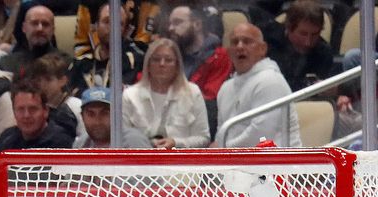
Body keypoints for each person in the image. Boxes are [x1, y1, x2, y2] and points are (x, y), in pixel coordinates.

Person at [214, 23, 301, 148]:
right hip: (235, 162)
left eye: (247, 41)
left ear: (263, 49)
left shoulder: (270, 81)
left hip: (275, 162)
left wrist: (224, 149)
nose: (240, 46)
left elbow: (262, 136)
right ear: (228, 51)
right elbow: (221, 132)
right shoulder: (225, 88)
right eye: (234, 42)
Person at [0, 79, 75, 185]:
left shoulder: (61, 141)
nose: (26, 115)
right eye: (20, 109)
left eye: (33, 109)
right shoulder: (6, 138)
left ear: (45, 111)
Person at [122, 38, 210, 149]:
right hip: (141, 163)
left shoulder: (193, 93)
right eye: (156, 59)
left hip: (180, 162)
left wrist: (176, 143)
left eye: (168, 60)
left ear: (177, 66)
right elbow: (122, 138)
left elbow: (204, 138)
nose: (162, 64)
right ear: (148, 65)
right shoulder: (130, 95)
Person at [167, 5, 231, 136]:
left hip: (200, 130)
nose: (170, 28)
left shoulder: (220, 57)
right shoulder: (169, 56)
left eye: (177, 22)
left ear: (197, 25)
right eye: (170, 24)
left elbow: (209, 100)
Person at [70, 3, 146, 94]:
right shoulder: (81, 64)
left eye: (119, 24)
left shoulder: (136, 62)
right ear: (96, 26)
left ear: (125, 31)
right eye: (107, 21)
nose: (113, 28)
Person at [264, 0, 333, 92]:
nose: (307, 42)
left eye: (315, 34)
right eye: (303, 34)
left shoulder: (324, 53)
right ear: (288, 27)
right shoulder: (266, 40)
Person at [28, 53, 85, 146]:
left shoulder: (76, 106)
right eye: (38, 80)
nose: (42, 85)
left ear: (63, 80)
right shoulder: (34, 106)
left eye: (48, 80)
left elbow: (84, 140)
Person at [0, 5, 68, 80]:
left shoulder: (66, 63)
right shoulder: (8, 63)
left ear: (53, 30)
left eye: (45, 24)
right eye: (34, 23)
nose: (40, 29)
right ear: (24, 28)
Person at [76, 86, 150, 148]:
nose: (97, 121)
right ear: (82, 117)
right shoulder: (81, 145)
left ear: (117, 114)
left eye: (104, 113)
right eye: (91, 114)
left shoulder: (134, 142)